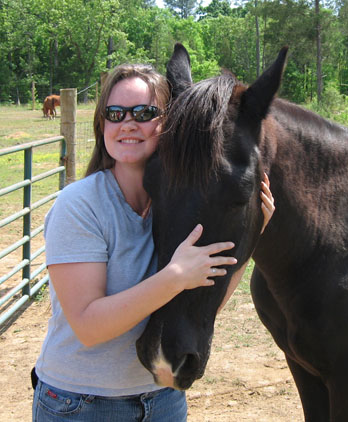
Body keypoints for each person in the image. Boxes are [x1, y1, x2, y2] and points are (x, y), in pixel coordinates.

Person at [32, 63, 275, 422]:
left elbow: (199, 306)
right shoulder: (79, 206)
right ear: (102, 125)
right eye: (115, 113)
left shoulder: (177, 206)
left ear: (171, 122)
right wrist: (174, 276)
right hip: (81, 403)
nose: (127, 123)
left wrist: (252, 234)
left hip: (161, 400)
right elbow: (87, 326)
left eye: (144, 113)